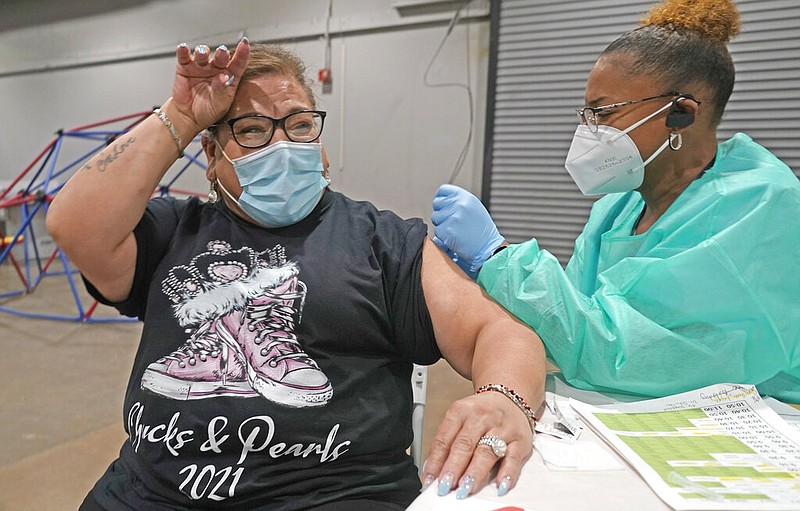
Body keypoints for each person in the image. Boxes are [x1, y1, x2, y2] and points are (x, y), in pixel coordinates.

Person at [46, 39, 547, 510]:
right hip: (152, 492)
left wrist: (503, 399)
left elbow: (498, 330)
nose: (281, 144)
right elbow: (73, 225)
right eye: (251, 129)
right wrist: (181, 114)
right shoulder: (172, 231)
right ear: (212, 156)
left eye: (299, 124)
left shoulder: (384, 242)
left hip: (334, 494)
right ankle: (221, 348)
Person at [432, 0, 800, 404]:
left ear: (681, 113)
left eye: (604, 113)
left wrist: (498, 258)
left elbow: (638, 355)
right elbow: (574, 327)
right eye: (587, 114)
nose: (588, 132)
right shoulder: (619, 207)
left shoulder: (759, 204)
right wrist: (494, 276)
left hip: (760, 421)